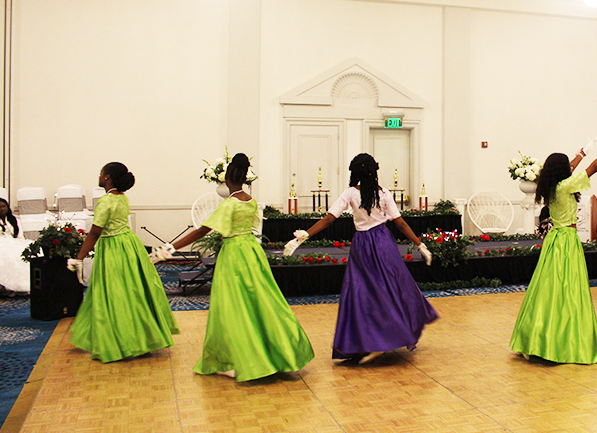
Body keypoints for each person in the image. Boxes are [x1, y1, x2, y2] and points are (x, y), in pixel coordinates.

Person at [159, 154, 313, 379]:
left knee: (231, 306)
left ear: (227, 179)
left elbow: (203, 230)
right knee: (262, 301)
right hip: (251, 252)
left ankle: (236, 359)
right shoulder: (250, 200)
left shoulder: (229, 204)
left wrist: (171, 247)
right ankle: (277, 351)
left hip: (233, 254)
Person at [287, 153, 435, 364]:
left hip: (363, 245)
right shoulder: (383, 193)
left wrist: (305, 235)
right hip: (383, 243)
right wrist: (421, 245)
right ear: (374, 172)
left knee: (361, 294)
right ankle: (380, 340)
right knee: (391, 289)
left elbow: (329, 219)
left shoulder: (350, 194)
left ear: (354, 173)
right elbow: (400, 223)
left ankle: (373, 342)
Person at [512, 134, 597, 363]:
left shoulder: (548, 186)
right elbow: (595, 168)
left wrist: (582, 152)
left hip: (553, 241)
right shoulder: (566, 186)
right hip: (567, 241)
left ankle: (538, 338)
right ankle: (562, 341)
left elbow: (570, 167)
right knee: (568, 290)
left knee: (548, 289)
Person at [69, 163, 178, 363]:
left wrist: (79, 257)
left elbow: (95, 232)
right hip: (129, 244)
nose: (99, 176)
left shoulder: (106, 200)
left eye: (101, 173)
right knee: (133, 291)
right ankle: (142, 336)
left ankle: (122, 340)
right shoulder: (122, 198)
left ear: (107, 176)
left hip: (113, 248)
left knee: (115, 293)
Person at [0, 198, 32, 294]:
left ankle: (19, 288)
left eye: (3, 206)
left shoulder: (14, 220)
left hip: (14, 243)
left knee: (22, 256)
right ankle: (5, 287)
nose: (2, 209)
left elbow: (20, 236)